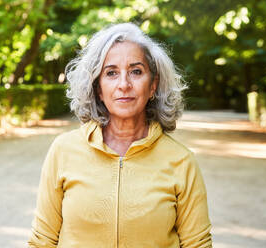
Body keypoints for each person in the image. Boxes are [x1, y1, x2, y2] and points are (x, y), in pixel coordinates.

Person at [28, 23, 212, 248]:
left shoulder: (182, 161)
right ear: (98, 88)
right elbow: (42, 240)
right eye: (111, 73)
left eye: (136, 71)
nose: (124, 84)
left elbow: (198, 244)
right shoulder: (63, 150)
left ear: (153, 85)